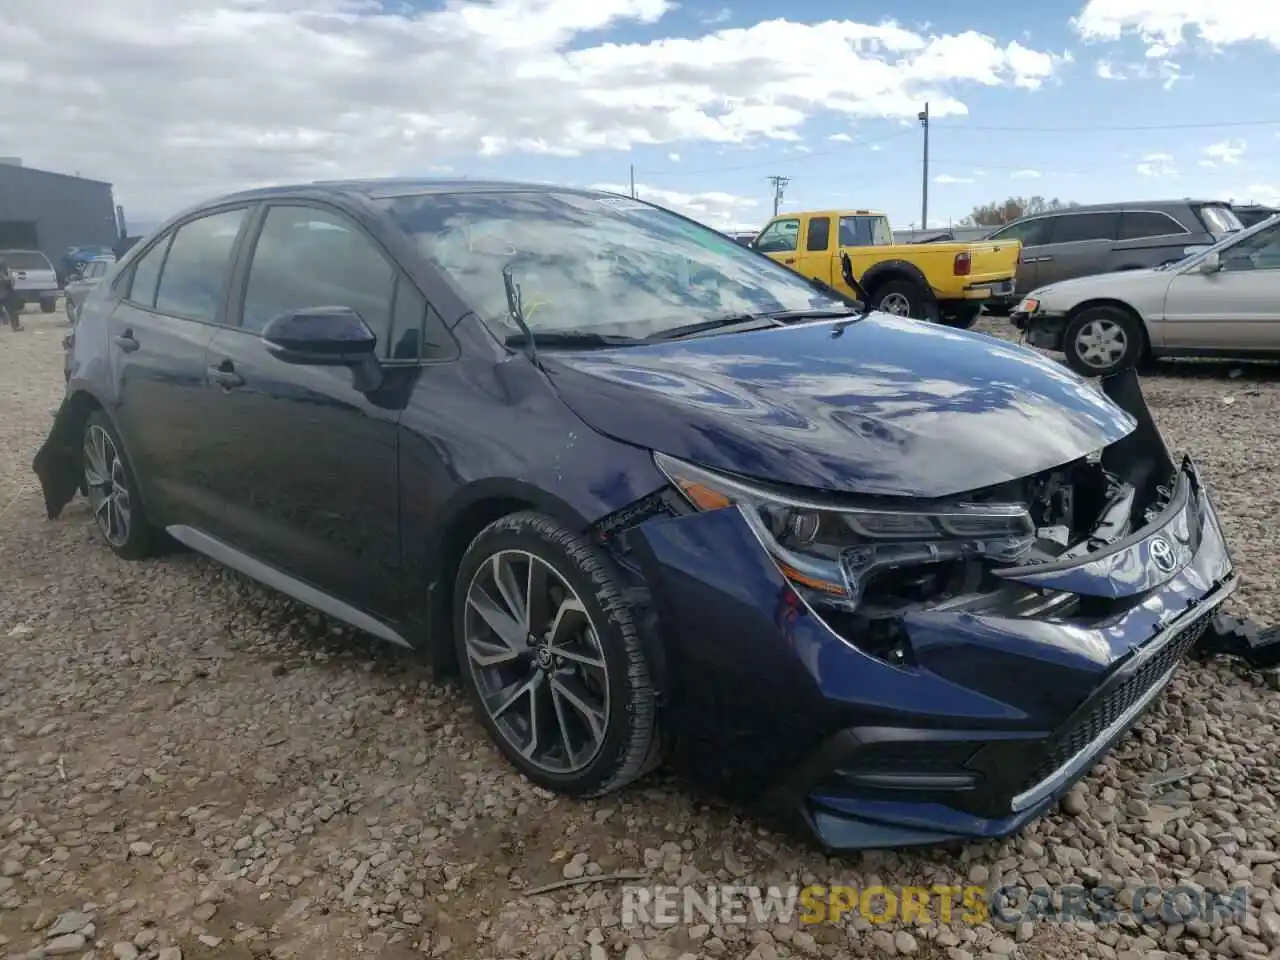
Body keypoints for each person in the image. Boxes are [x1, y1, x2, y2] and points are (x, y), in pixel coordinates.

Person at [0, 259, 21, 331]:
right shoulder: (4, 274)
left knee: (13, 310)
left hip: (6, 293)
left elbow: (11, 282)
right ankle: (15, 326)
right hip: (6, 294)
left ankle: (15, 326)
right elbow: (10, 282)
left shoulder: (5, 273)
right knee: (13, 311)